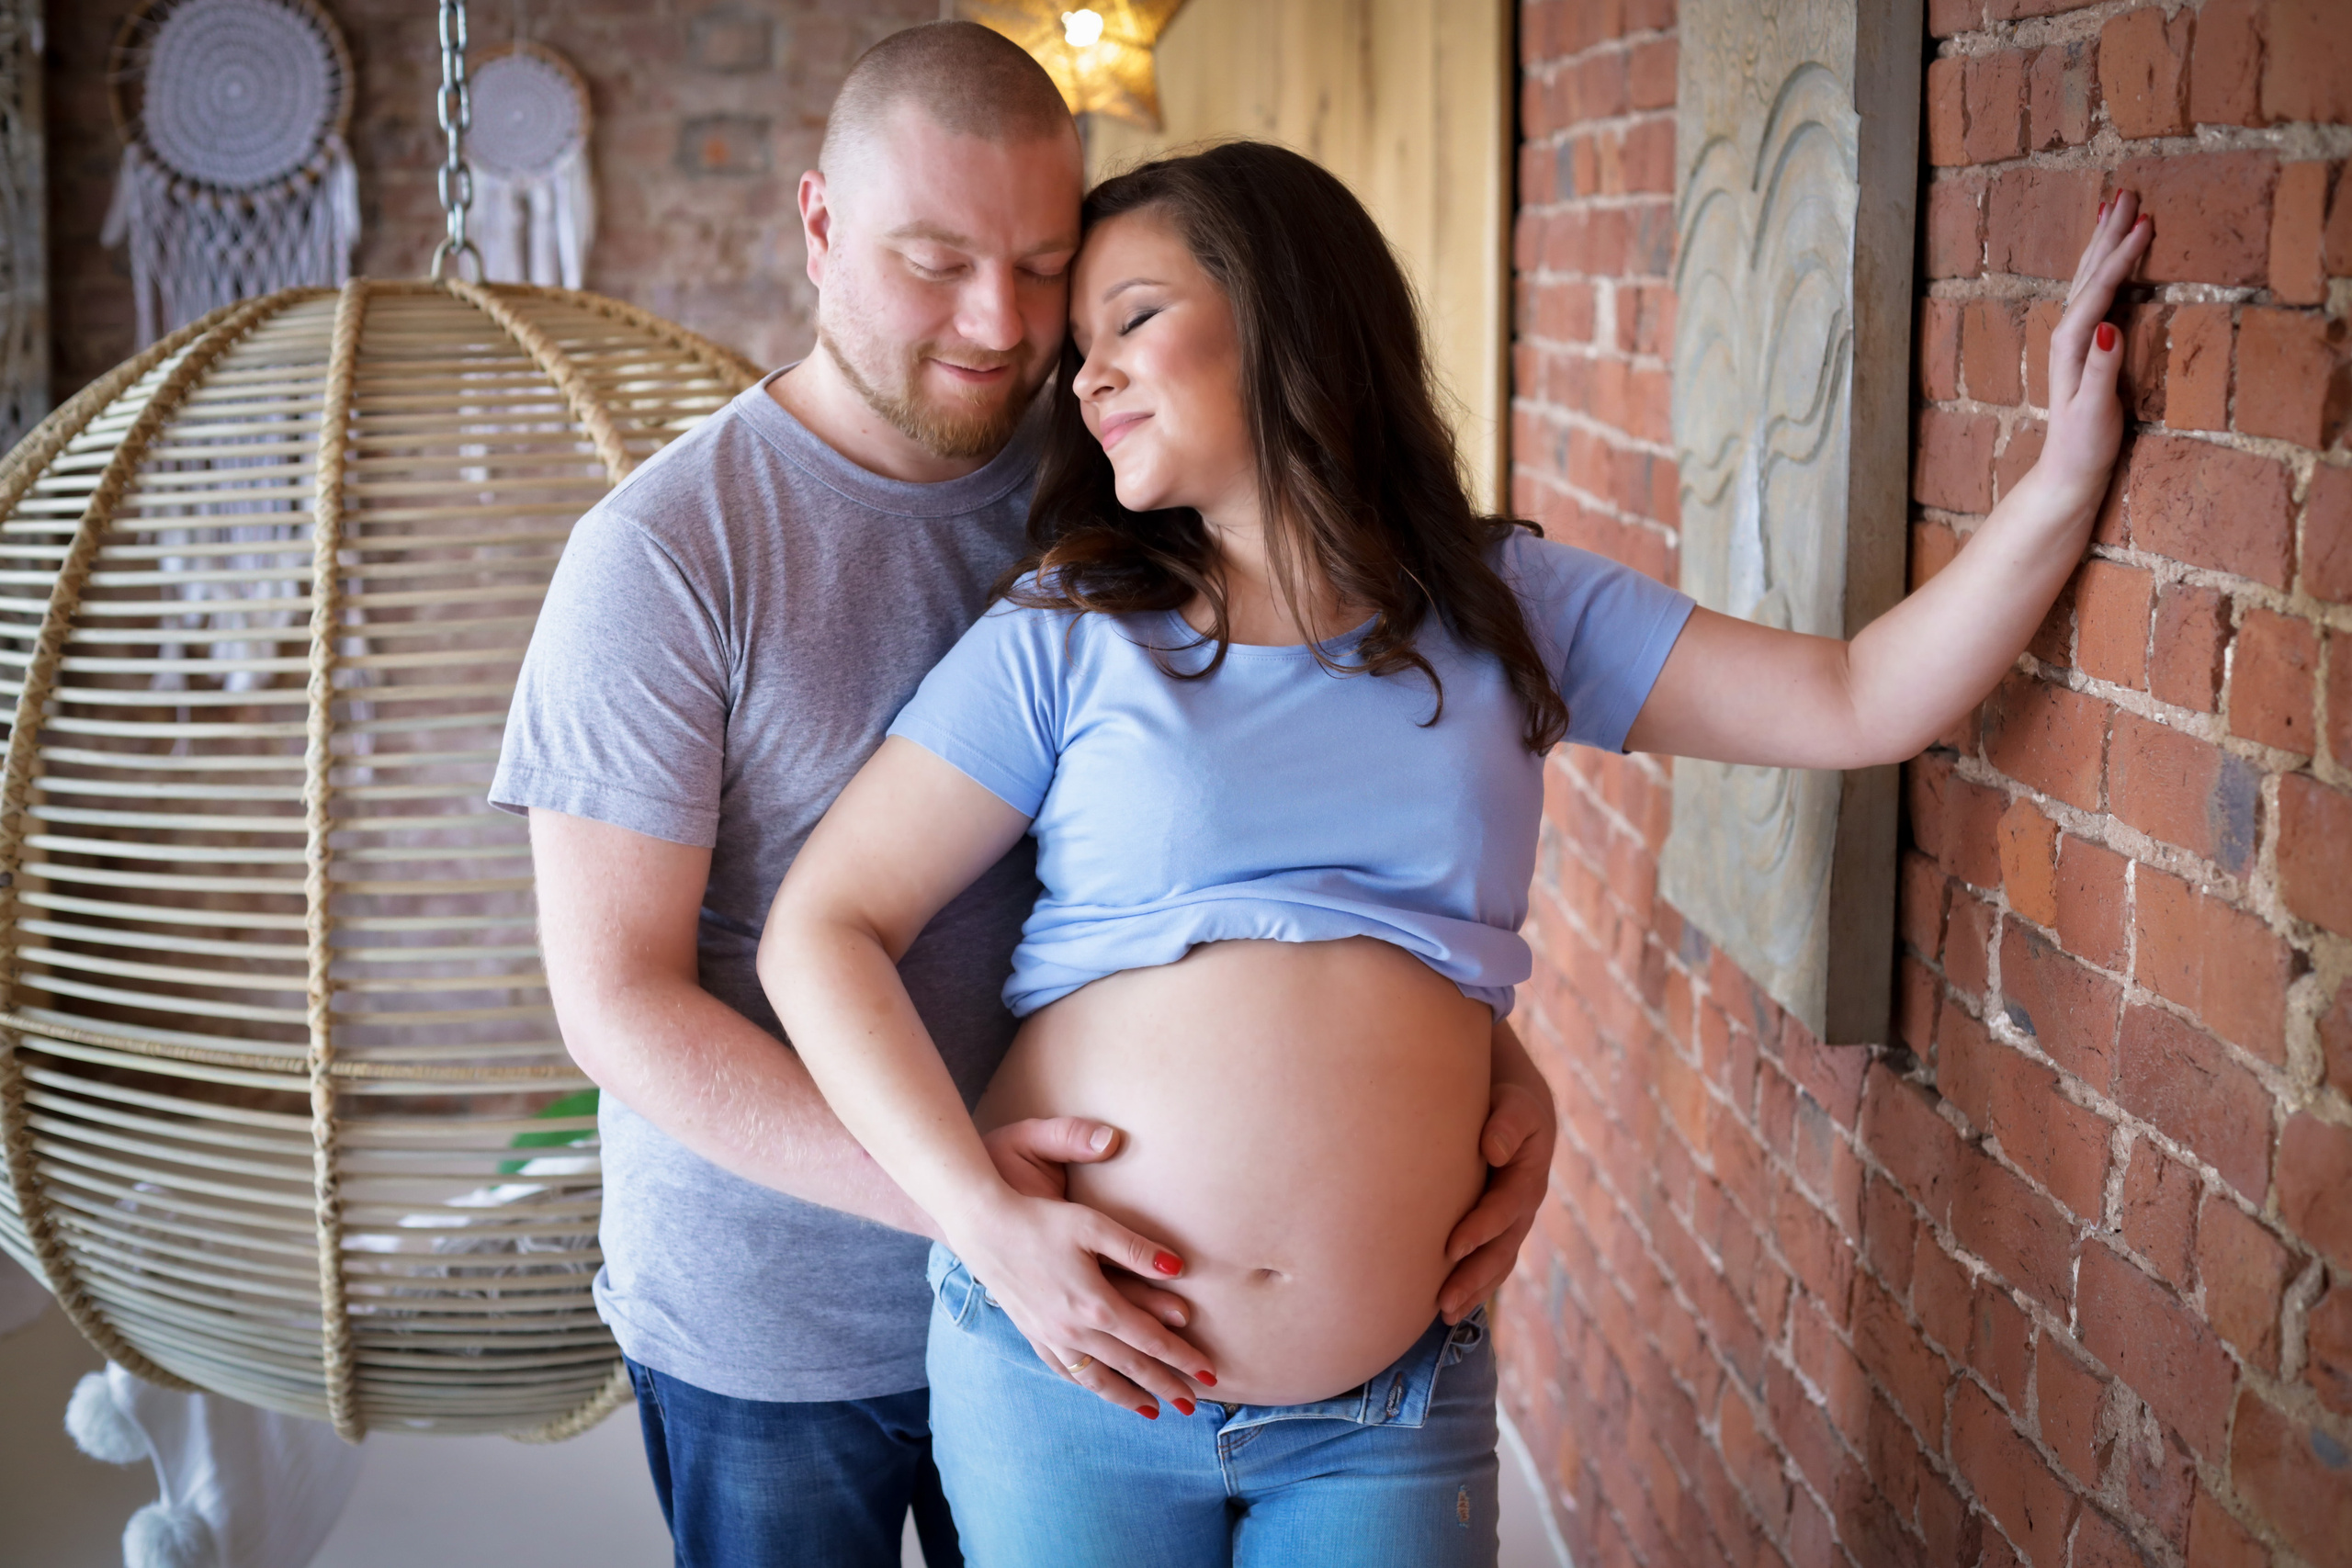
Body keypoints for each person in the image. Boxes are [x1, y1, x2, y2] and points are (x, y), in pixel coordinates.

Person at [758, 142, 2152, 1567]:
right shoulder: (1067, 630)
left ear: (1285, 311)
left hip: (1393, 1401)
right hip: (1071, 1380)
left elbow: (1859, 699)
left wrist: (2062, 475)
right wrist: (981, 1219)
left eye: (1133, 319)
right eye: (1082, 348)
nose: (1089, 373)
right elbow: (824, 927)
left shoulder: (1508, 605)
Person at [493, 25, 1557, 1568]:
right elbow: (617, 1006)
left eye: (1041, 265)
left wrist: (1462, 1066)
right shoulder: (663, 557)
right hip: (783, 1330)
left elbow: (1249, 824)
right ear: (819, 226)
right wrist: (981, 1223)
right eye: (935, 263)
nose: (999, 322)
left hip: (1135, 1315)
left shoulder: (1126, 468)